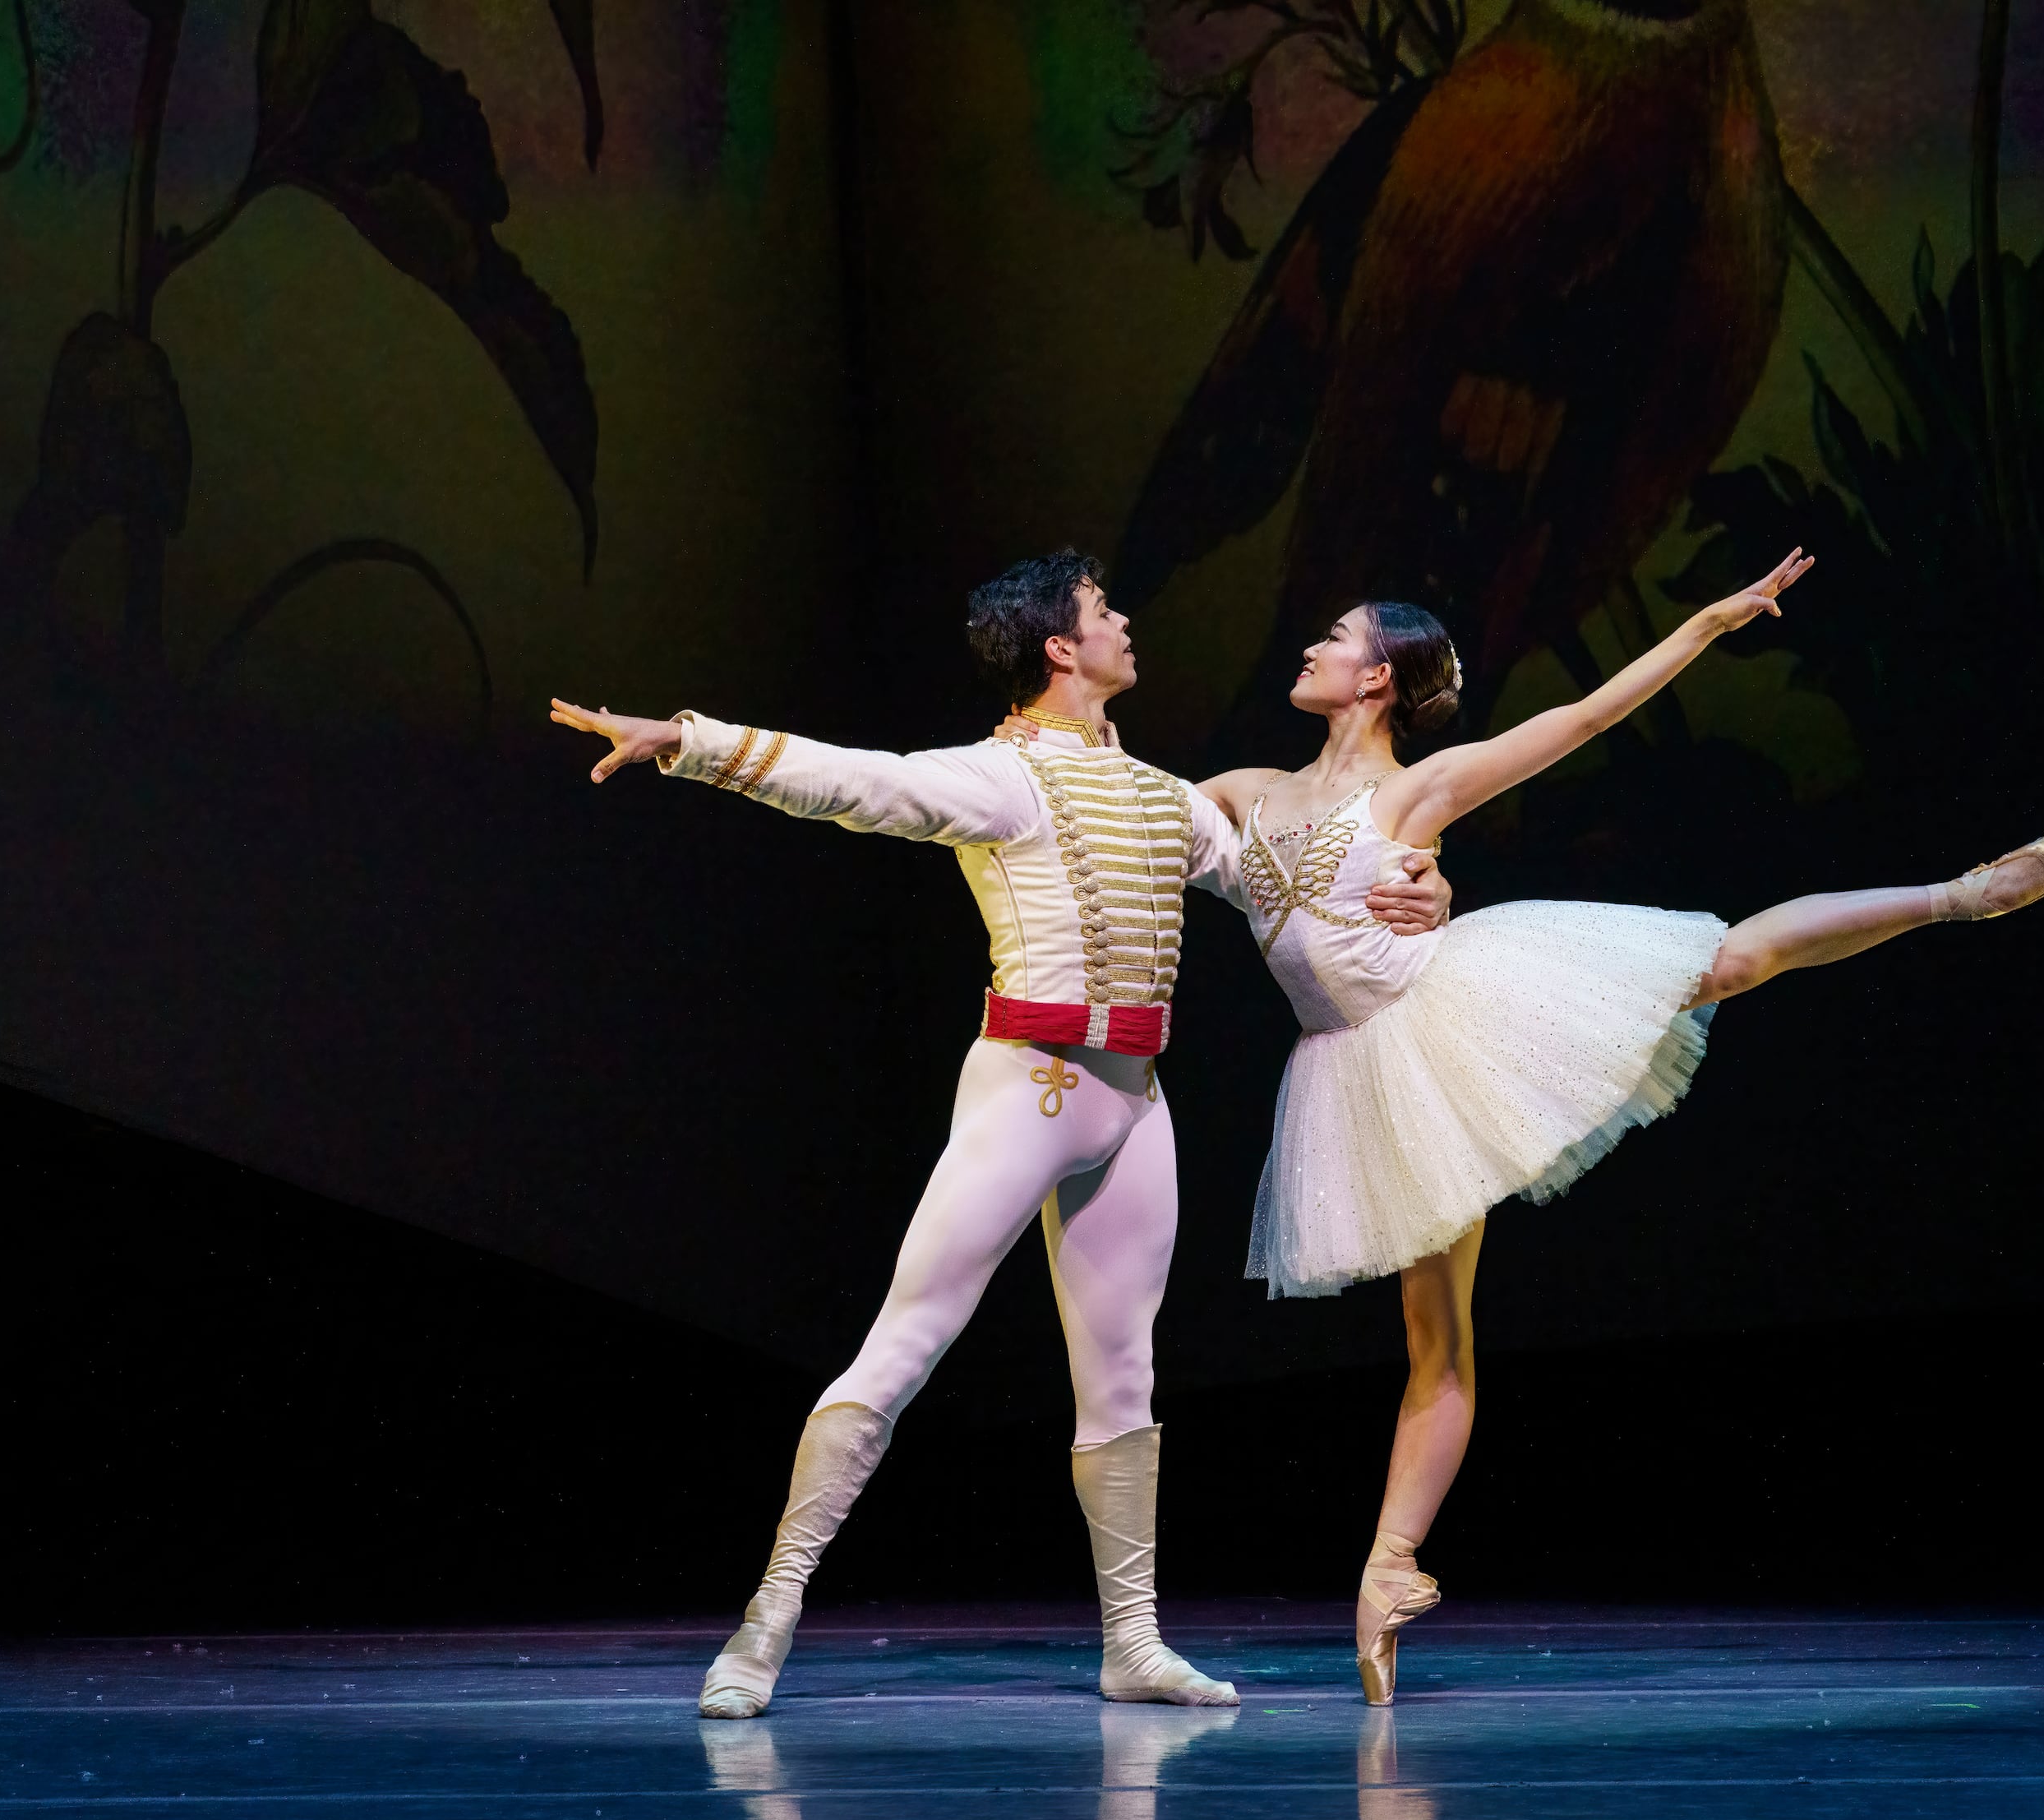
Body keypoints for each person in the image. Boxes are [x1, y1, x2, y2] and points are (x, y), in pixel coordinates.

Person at [548, 551, 1450, 1717]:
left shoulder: (1172, 798)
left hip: (1134, 1104)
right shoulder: (1001, 777)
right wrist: (688, 738)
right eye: (1103, 610)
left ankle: (1133, 1640)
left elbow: (1290, 894)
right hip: (1028, 1088)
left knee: (1125, 1375)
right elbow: (853, 783)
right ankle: (765, 1622)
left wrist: (1425, 896)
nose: (1127, 621)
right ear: (1061, 649)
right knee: (905, 1343)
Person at [1193, 549, 2044, 1702]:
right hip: (1360, 1075)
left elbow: (1577, 719)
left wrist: (1707, 626)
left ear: (1376, 679)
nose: (1313, 646)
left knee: (1723, 962)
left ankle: (1956, 894)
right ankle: (1389, 1570)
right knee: (1437, 1341)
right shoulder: (1239, 793)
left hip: (1446, 1020)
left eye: (1336, 635)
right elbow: (1140, 822)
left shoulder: (1414, 791)